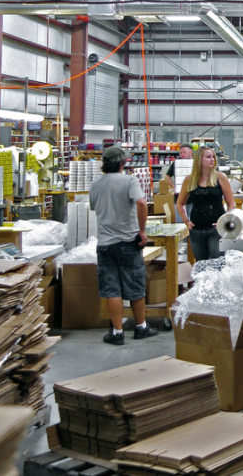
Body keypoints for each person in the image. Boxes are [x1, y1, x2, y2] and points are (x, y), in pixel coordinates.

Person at [89, 146, 159, 345]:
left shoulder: (95, 184)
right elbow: (142, 203)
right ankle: (141, 327)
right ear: (122, 163)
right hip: (128, 242)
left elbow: (95, 208)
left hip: (105, 244)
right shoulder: (130, 180)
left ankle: (117, 333)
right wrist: (142, 231)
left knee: (112, 289)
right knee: (135, 286)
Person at [177, 146, 235, 262]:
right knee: (201, 265)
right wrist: (187, 221)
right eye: (208, 157)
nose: (212, 159)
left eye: (213, 157)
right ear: (199, 160)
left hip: (216, 229)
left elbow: (231, 203)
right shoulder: (190, 180)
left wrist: (225, 221)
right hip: (196, 230)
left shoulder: (220, 178)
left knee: (216, 265)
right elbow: (180, 204)